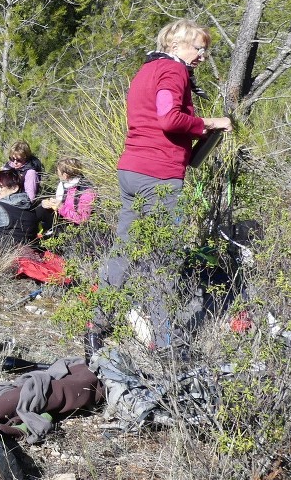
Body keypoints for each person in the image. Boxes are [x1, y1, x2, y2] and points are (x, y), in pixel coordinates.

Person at [90, 19, 233, 354]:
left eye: (204, 50)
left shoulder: (146, 70)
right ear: (176, 44)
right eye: (198, 48)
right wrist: (210, 122)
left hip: (131, 170)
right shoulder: (173, 71)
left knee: (122, 253)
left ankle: (94, 328)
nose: (201, 55)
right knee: (164, 258)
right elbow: (169, 118)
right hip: (159, 176)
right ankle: (166, 344)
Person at [40, 157, 96, 231]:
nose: (57, 174)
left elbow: (83, 220)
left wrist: (61, 207)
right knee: (40, 210)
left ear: (65, 175)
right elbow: (59, 202)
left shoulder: (86, 191)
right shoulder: (63, 185)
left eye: (58, 172)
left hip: (78, 231)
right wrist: (48, 203)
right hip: (63, 224)